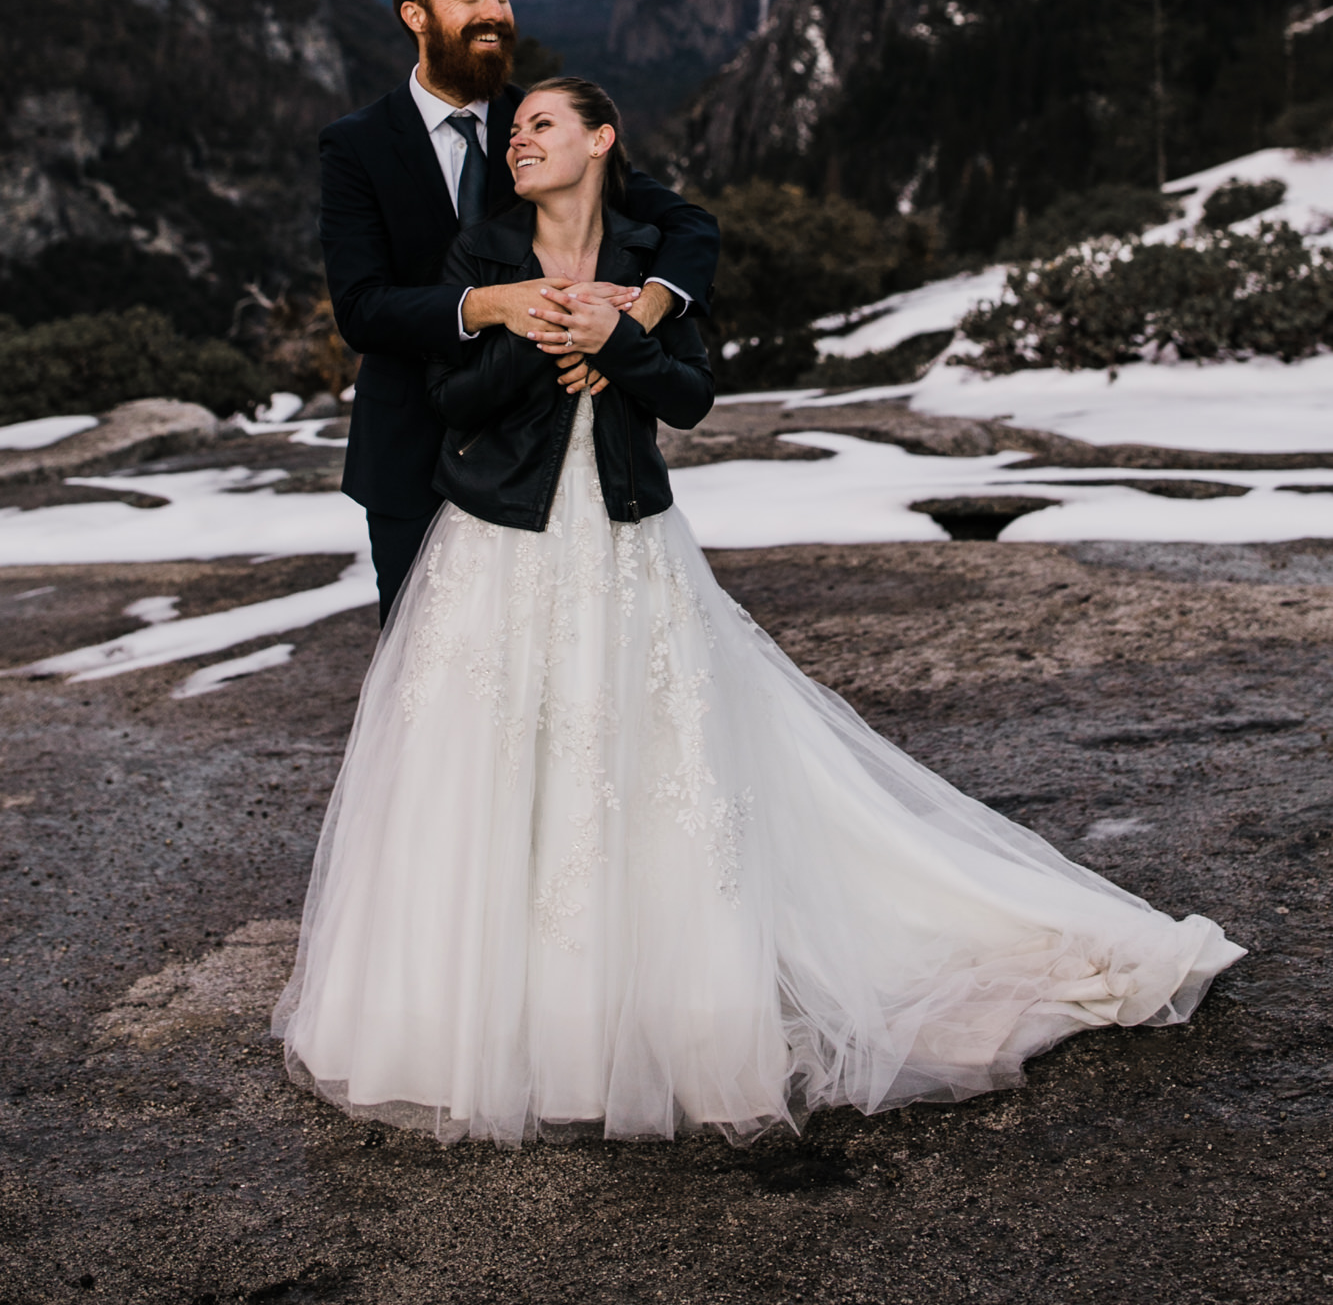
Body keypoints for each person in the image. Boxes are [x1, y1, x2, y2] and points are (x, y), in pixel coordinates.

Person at [275, 77, 1244, 1147]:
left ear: (600, 139)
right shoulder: (481, 251)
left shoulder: (654, 251)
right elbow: (454, 396)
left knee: (648, 762)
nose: (519, 143)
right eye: (513, 132)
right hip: (499, 545)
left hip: (628, 539)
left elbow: (687, 395)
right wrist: (541, 335)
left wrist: (620, 333)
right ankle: (492, 1016)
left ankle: (661, 1010)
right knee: (488, 764)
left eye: (541, 125)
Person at [317, 0, 720, 623]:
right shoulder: (355, 144)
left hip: (543, 450)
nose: (494, 11)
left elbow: (690, 227)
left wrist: (640, 318)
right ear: (415, 15)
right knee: (426, 672)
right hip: (410, 447)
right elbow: (361, 307)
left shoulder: (548, 128)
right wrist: (490, 305)